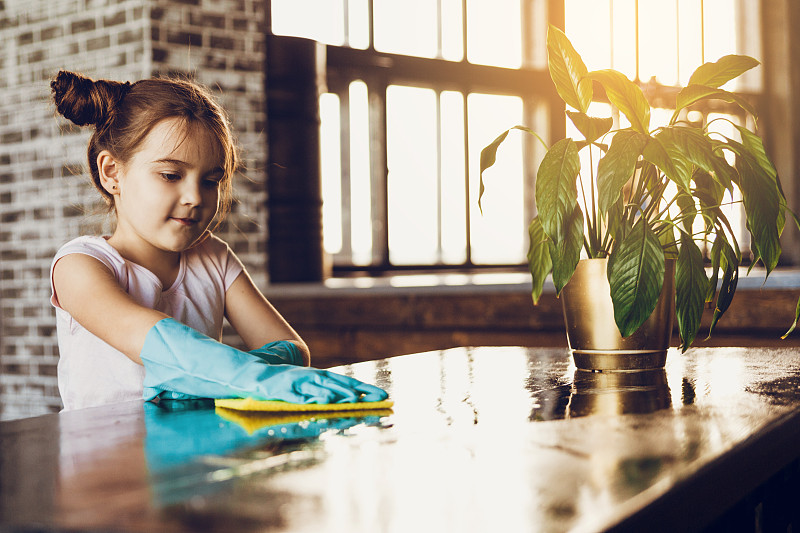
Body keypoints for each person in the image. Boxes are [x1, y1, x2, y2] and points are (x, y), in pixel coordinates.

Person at [49, 70, 387, 411]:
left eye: (211, 180)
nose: (195, 196)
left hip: (199, 457)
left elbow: (291, 347)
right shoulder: (79, 265)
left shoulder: (214, 257)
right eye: (170, 175)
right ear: (112, 173)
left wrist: (223, 378)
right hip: (103, 460)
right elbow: (149, 336)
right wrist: (248, 377)